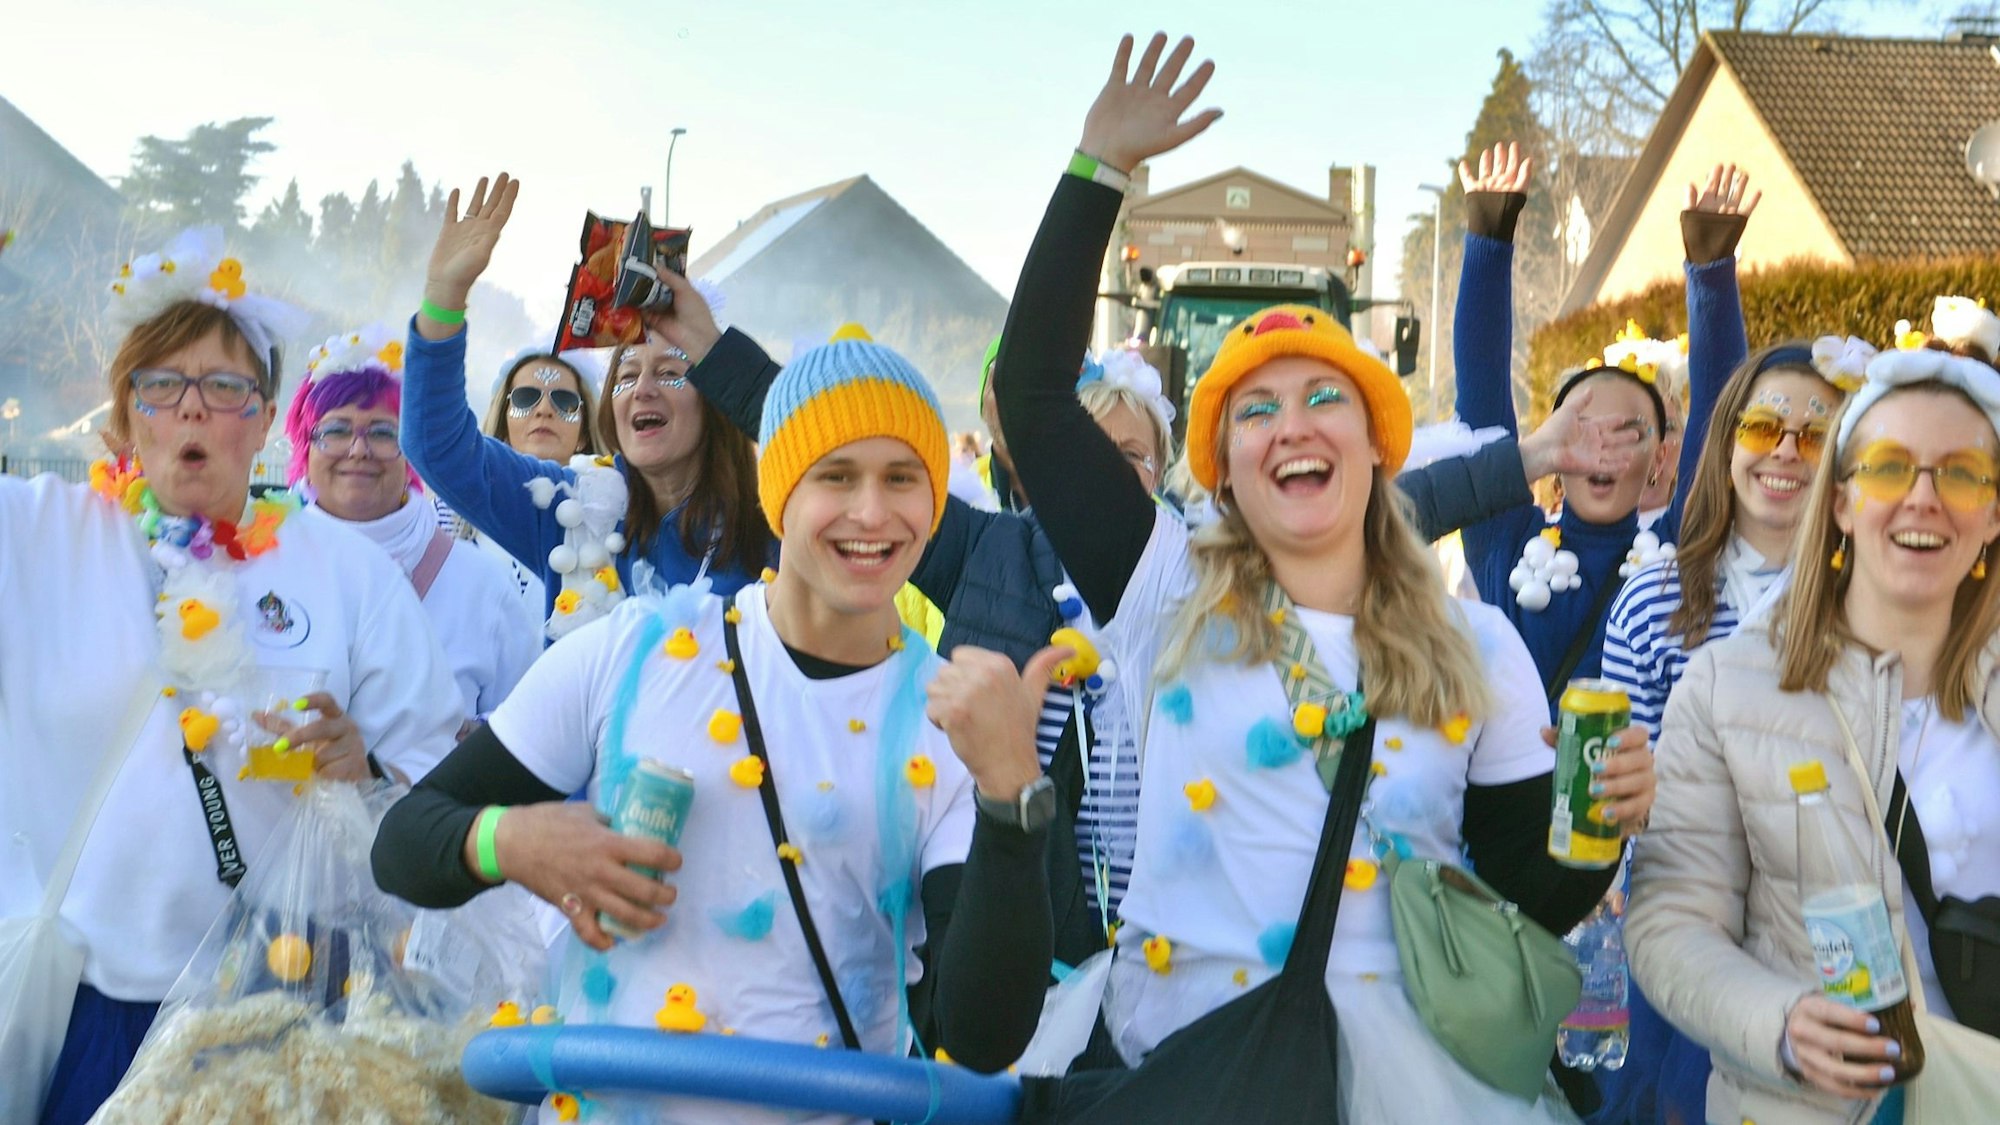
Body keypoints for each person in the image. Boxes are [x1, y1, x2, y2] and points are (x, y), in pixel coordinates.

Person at [995, 34, 1655, 1118]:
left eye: (1321, 401)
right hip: (1189, 1078)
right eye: (1253, 411)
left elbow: (1522, 896)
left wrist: (1603, 821)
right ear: (1222, 471)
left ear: (1376, 446)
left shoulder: (1477, 646)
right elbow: (1030, 395)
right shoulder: (1163, 594)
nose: (1289, 427)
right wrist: (1096, 168)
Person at [373, 327, 1052, 1123]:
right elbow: (405, 844)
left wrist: (1013, 799)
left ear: (935, 501)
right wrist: (513, 843)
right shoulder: (633, 652)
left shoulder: (952, 718)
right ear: (782, 490)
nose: (872, 512)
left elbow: (979, 1032)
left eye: (902, 477)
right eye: (836, 474)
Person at [0, 228, 460, 1124]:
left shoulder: (345, 572)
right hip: (81, 998)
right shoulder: (38, 534)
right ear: (127, 416)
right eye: (162, 386)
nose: (193, 411)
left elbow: (436, 766)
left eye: (224, 387)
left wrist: (362, 766)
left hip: (278, 1001)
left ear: (262, 418)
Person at [1626, 298, 2000, 1125]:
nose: (1924, 499)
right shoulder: (1729, 687)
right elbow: (1671, 918)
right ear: (1841, 502)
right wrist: (1780, 1021)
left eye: (1965, 474)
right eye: (1890, 467)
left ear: (1995, 512)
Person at [1593, 338, 1864, 1124]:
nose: (1786, 450)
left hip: (1830, 941)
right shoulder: (1651, 599)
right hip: (1689, 929)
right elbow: (1627, 780)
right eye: (1763, 428)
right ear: (1727, 439)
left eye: (1816, 435)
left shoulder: (1871, 606)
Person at [401, 174, 772, 639]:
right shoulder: (567, 508)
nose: (642, 390)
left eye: (671, 373)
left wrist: (716, 353)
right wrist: (444, 297)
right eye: (627, 374)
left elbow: (835, 448)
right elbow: (435, 446)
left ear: (717, 400)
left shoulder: (775, 522)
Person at [1456, 148, 1757, 708]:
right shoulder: (1505, 542)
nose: (1601, 450)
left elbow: (1719, 413)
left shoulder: (1674, 550)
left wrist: (1711, 269)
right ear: (1549, 450)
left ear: (1661, 458)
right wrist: (1488, 238)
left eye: (1628, 433)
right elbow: (1480, 392)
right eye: (1580, 430)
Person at [283, 324, 541, 731]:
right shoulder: (260, 563)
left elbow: (532, 726)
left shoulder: (480, 585)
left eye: (385, 434)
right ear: (304, 446)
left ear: (413, 452)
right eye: (335, 430)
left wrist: (468, 745)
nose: (358, 450)